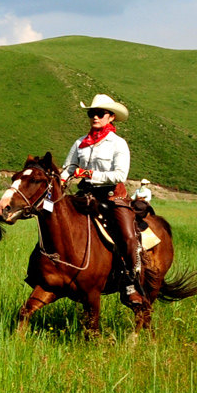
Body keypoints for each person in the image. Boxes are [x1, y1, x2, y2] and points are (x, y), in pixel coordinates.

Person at [61, 93, 148, 309]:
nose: (95, 117)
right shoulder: (80, 142)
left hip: (111, 196)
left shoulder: (118, 144)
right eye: (92, 113)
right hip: (85, 195)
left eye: (100, 113)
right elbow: (68, 168)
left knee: (128, 237)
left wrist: (89, 174)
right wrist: (62, 180)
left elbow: (120, 175)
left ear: (111, 117)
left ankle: (131, 283)